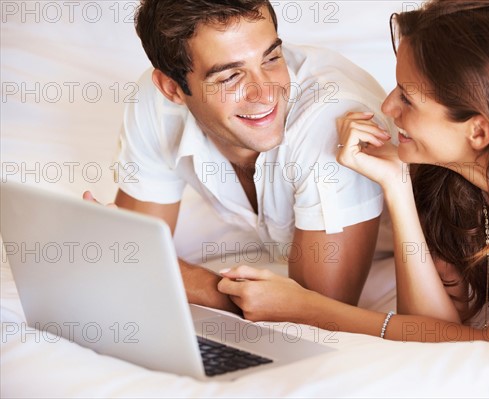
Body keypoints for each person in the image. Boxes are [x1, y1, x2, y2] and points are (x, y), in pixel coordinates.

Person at [218, 0, 489, 342]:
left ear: (478, 131)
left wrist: (306, 308)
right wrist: (397, 187)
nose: (387, 105)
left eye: (407, 97)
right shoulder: (449, 180)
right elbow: (431, 328)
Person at [85, 0, 394, 314]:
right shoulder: (156, 105)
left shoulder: (332, 120)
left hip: (392, 264)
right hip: (283, 249)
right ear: (172, 88)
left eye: (271, 57)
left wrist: (193, 282)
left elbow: (315, 309)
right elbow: (135, 258)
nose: (264, 92)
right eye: (230, 76)